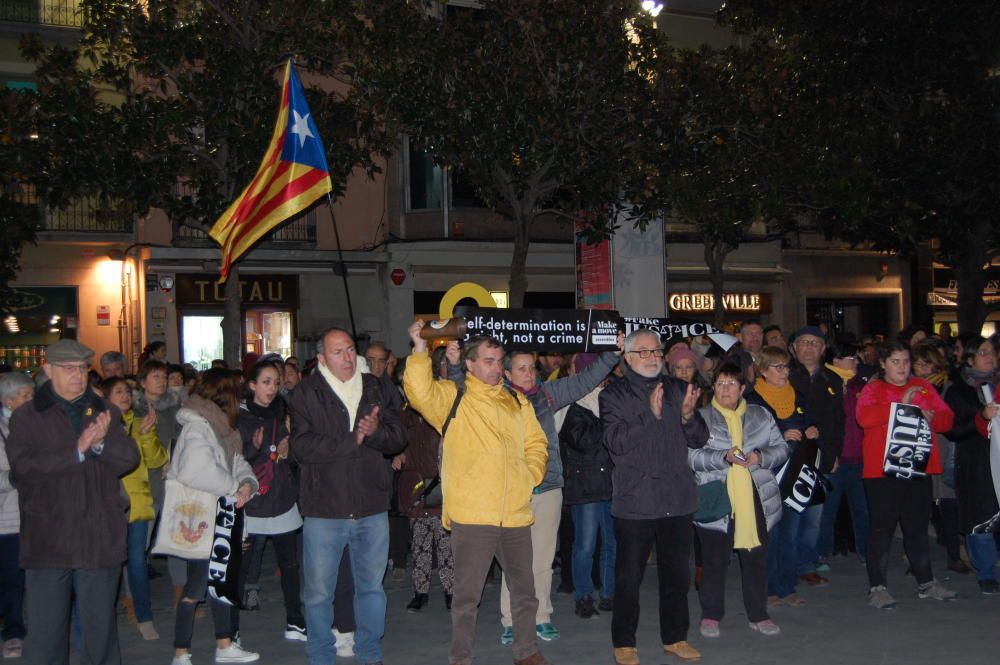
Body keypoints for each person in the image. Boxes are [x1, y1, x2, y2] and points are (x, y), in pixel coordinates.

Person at [403, 322, 552, 665]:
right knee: (467, 597)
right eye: (488, 360)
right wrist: (419, 349)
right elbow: (417, 390)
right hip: (472, 516)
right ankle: (461, 658)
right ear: (469, 364)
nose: (496, 368)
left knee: (525, 592)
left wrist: (530, 474)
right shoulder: (452, 398)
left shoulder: (516, 400)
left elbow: (537, 442)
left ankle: (527, 651)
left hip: (514, 513)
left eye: (499, 361)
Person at [7, 339, 139, 665]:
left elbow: (128, 459)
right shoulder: (27, 416)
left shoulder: (104, 409)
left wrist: (101, 444)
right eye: (68, 369)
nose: (77, 376)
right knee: (46, 636)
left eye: (81, 368)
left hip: (98, 535)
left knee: (101, 634)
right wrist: (77, 450)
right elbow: (23, 469)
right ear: (48, 370)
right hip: (48, 538)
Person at [483, 341, 621, 645]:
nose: (529, 373)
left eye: (532, 367)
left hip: (547, 489)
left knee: (542, 560)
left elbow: (584, 380)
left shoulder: (547, 395)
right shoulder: (492, 400)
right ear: (506, 373)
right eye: (521, 368)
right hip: (510, 492)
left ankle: (542, 616)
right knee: (513, 560)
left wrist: (612, 354)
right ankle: (511, 620)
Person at [290, 327, 405, 665]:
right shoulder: (306, 393)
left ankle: (370, 653)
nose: (347, 358)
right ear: (322, 358)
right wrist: (350, 441)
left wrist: (375, 433)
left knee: (371, 589)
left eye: (350, 350)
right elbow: (300, 447)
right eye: (337, 352)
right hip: (325, 510)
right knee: (318, 594)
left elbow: (398, 437)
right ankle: (321, 655)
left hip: (370, 507)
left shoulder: (375, 387)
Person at [600, 328, 708, 665]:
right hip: (637, 499)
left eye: (656, 351)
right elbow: (615, 443)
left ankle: (675, 637)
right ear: (628, 358)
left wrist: (689, 416)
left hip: (676, 497)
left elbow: (700, 438)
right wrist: (650, 414)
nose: (652, 357)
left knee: (677, 575)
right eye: (643, 352)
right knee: (629, 577)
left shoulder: (678, 389)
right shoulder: (613, 395)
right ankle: (624, 641)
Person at [690, 362, 789, 638]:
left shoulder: (760, 415)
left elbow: (781, 448)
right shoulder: (701, 418)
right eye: (720, 383)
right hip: (717, 498)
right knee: (714, 561)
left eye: (731, 384)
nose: (725, 389)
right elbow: (691, 457)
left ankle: (758, 614)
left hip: (756, 497)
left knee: (756, 558)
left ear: (743, 388)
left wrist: (760, 456)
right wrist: (722, 458)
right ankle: (710, 615)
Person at [856, 341, 956, 609]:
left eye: (905, 361)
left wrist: (931, 416)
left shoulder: (924, 387)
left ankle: (926, 582)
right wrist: (901, 405)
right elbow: (863, 418)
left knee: (917, 527)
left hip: (916, 467)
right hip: (882, 470)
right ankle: (877, 586)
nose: (901, 367)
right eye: (895, 361)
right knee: (882, 528)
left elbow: (947, 420)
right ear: (883, 364)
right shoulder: (874, 388)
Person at [169, 368, 259, 664]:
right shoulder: (199, 426)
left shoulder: (221, 427)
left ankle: (224, 645)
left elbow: (237, 462)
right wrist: (235, 487)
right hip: (203, 518)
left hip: (219, 515)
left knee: (220, 582)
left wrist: (247, 484)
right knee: (197, 586)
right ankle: (182, 652)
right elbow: (196, 470)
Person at [236, 361, 306, 639]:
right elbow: (234, 460)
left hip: (281, 499)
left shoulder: (281, 413)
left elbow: (292, 459)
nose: (272, 388)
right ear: (252, 385)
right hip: (252, 500)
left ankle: (295, 621)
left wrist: (289, 454)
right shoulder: (240, 418)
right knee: (241, 567)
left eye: (276, 382)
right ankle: (230, 631)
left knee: (289, 565)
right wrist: (253, 449)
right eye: (266, 382)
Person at [744, 346, 817, 605]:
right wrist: (780, 437)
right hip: (767, 473)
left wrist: (810, 430)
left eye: (786, 367)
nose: (784, 372)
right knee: (770, 533)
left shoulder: (797, 396)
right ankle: (769, 587)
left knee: (791, 529)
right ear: (763, 371)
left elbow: (809, 421)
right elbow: (748, 438)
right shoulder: (753, 400)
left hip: (795, 471)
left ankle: (787, 585)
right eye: (778, 367)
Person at [102, 376, 168, 641]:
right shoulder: (99, 426)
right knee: (108, 565)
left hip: (138, 503)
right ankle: (105, 616)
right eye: (118, 392)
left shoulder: (140, 423)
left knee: (138, 562)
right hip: (107, 507)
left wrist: (146, 435)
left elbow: (157, 460)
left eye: (127, 392)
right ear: (105, 397)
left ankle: (144, 616)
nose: (125, 396)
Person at [559, 354, 616, 619]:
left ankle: (609, 593)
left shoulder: (612, 402)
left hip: (612, 484)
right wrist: (608, 420)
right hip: (586, 487)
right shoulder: (574, 407)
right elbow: (585, 441)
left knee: (612, 544)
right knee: (585, 545)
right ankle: (583, 596)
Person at [397, 357, 454, 612]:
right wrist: (397, 454)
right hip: (416, 487)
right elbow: (396, 441)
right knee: (419, 545)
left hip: (441, 484)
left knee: (446, 546)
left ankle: (452, 591)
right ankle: (420, 591)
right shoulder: (403, 413)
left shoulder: (440, 407)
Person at [788, 326, 844, 585]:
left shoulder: (832, 380)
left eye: (814, 343)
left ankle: (807, 565)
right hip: (790, 453)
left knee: (814, 513)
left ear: (823, 349)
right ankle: (786, 566)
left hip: (820, 455)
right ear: (793, 349)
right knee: (789, 515)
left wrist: (833, 454)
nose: (809, 347)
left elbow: (837, 423)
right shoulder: (783, 375)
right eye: (803, 342)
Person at [944, 336, 999, 593]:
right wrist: (981, 416)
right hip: (976, 464)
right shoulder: (958, 390)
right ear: (969, 359)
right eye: (983, 352)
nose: (990, 357)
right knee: (981, 519)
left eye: (992, 352)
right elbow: (953, 430)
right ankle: (986, 572)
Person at [816, 342, 870, 569]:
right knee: (827, 510)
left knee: (863, 510)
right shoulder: (825, 381)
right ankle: (821, 553)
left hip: (860, 458)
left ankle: (867, 552)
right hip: (837, 459)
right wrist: (829, 455)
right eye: (850, 358)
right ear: (836, 359)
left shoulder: (862, 384)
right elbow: (823, 422)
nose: (855, 362)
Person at [0, 373, 32, 658]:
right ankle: (12, 630)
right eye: (25, 396)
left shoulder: (35, 424)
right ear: (8, 400)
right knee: (11, 576)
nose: (30, 400)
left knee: (26, 575)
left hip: (33, 512)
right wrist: (16, 477)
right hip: (7, 516)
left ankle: (23, 626)